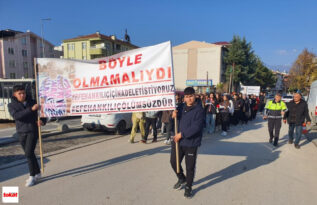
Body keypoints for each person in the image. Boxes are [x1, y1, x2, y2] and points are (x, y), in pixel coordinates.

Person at [8, 85, 46, 187]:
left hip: (32, 131)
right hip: (21, 132)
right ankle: (38, 172)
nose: (22, 95)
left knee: (28, 153)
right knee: (30, 154)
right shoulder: (11, 105)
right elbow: (16, 116)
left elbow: (42, 114)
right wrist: (31, 109)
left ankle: (32, 176)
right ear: (14, 94)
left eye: (23, 93)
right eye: (19, 93)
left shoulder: (33, 101)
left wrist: (42, 121)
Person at [170, 87, 204, 198]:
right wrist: (173, 116)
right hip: (178, 142)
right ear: (184, 97)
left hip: (191, 143)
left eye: (191, 96)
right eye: (186, 97)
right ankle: (181, 178)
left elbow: (196, 127)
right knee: (174, 162)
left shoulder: (199, 110)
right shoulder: (180, 107)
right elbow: (173, 122)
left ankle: (188, 186)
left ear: (195, 96)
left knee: (190, 167)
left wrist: (182, 134)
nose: (189, 99)